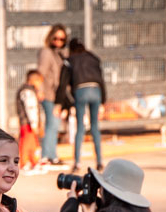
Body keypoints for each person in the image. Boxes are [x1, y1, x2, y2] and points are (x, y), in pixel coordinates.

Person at [65, 39, 106, 172]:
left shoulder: (71, 60)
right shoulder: (93, 58)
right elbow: (101, 80)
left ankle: (77, 162)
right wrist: (103, 101)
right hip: (96, 90)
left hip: (80, 90)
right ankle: (99, 161)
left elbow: (67, 82)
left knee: (80, 128)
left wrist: (69, 101)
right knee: (95, 128)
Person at [36, 24, 68, 166]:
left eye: (62, 39)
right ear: (51, 38)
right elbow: (41, 73)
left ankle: (50, 155)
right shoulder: (46, 52)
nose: (58, 41)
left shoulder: (60, 53)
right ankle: (48, 156)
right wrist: (40, 90)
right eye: (56, 38)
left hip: (56, 95)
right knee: (52, 125)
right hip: (48, 93)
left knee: (53, 125)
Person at [16, 70, 44, 173]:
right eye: (39, 82)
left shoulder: (29, 90)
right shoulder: (27, 91)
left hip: (28, 122)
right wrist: (34, 124)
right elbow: (30, 108)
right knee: (27, 143)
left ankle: (34, 162)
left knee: (33, 143)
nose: (40, 85)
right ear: (33, 80)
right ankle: (25, 163)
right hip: (27, 122)